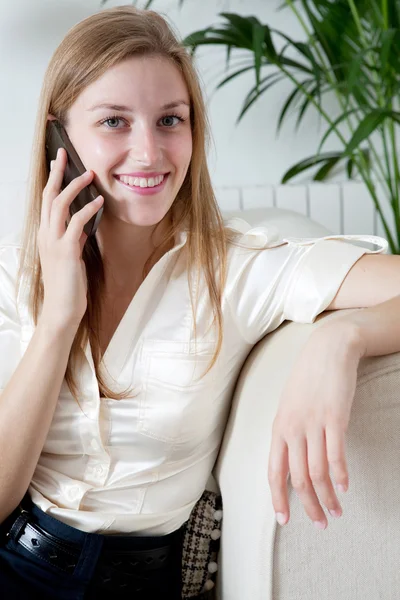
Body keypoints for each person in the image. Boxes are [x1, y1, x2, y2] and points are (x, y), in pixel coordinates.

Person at [0, 4, 396, 599]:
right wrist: (59, 318)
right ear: (61, 137)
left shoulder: (236, 269)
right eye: (113, 121)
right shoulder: (13, 274)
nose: (149, 153)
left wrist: (344, 339)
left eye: (170, 120)